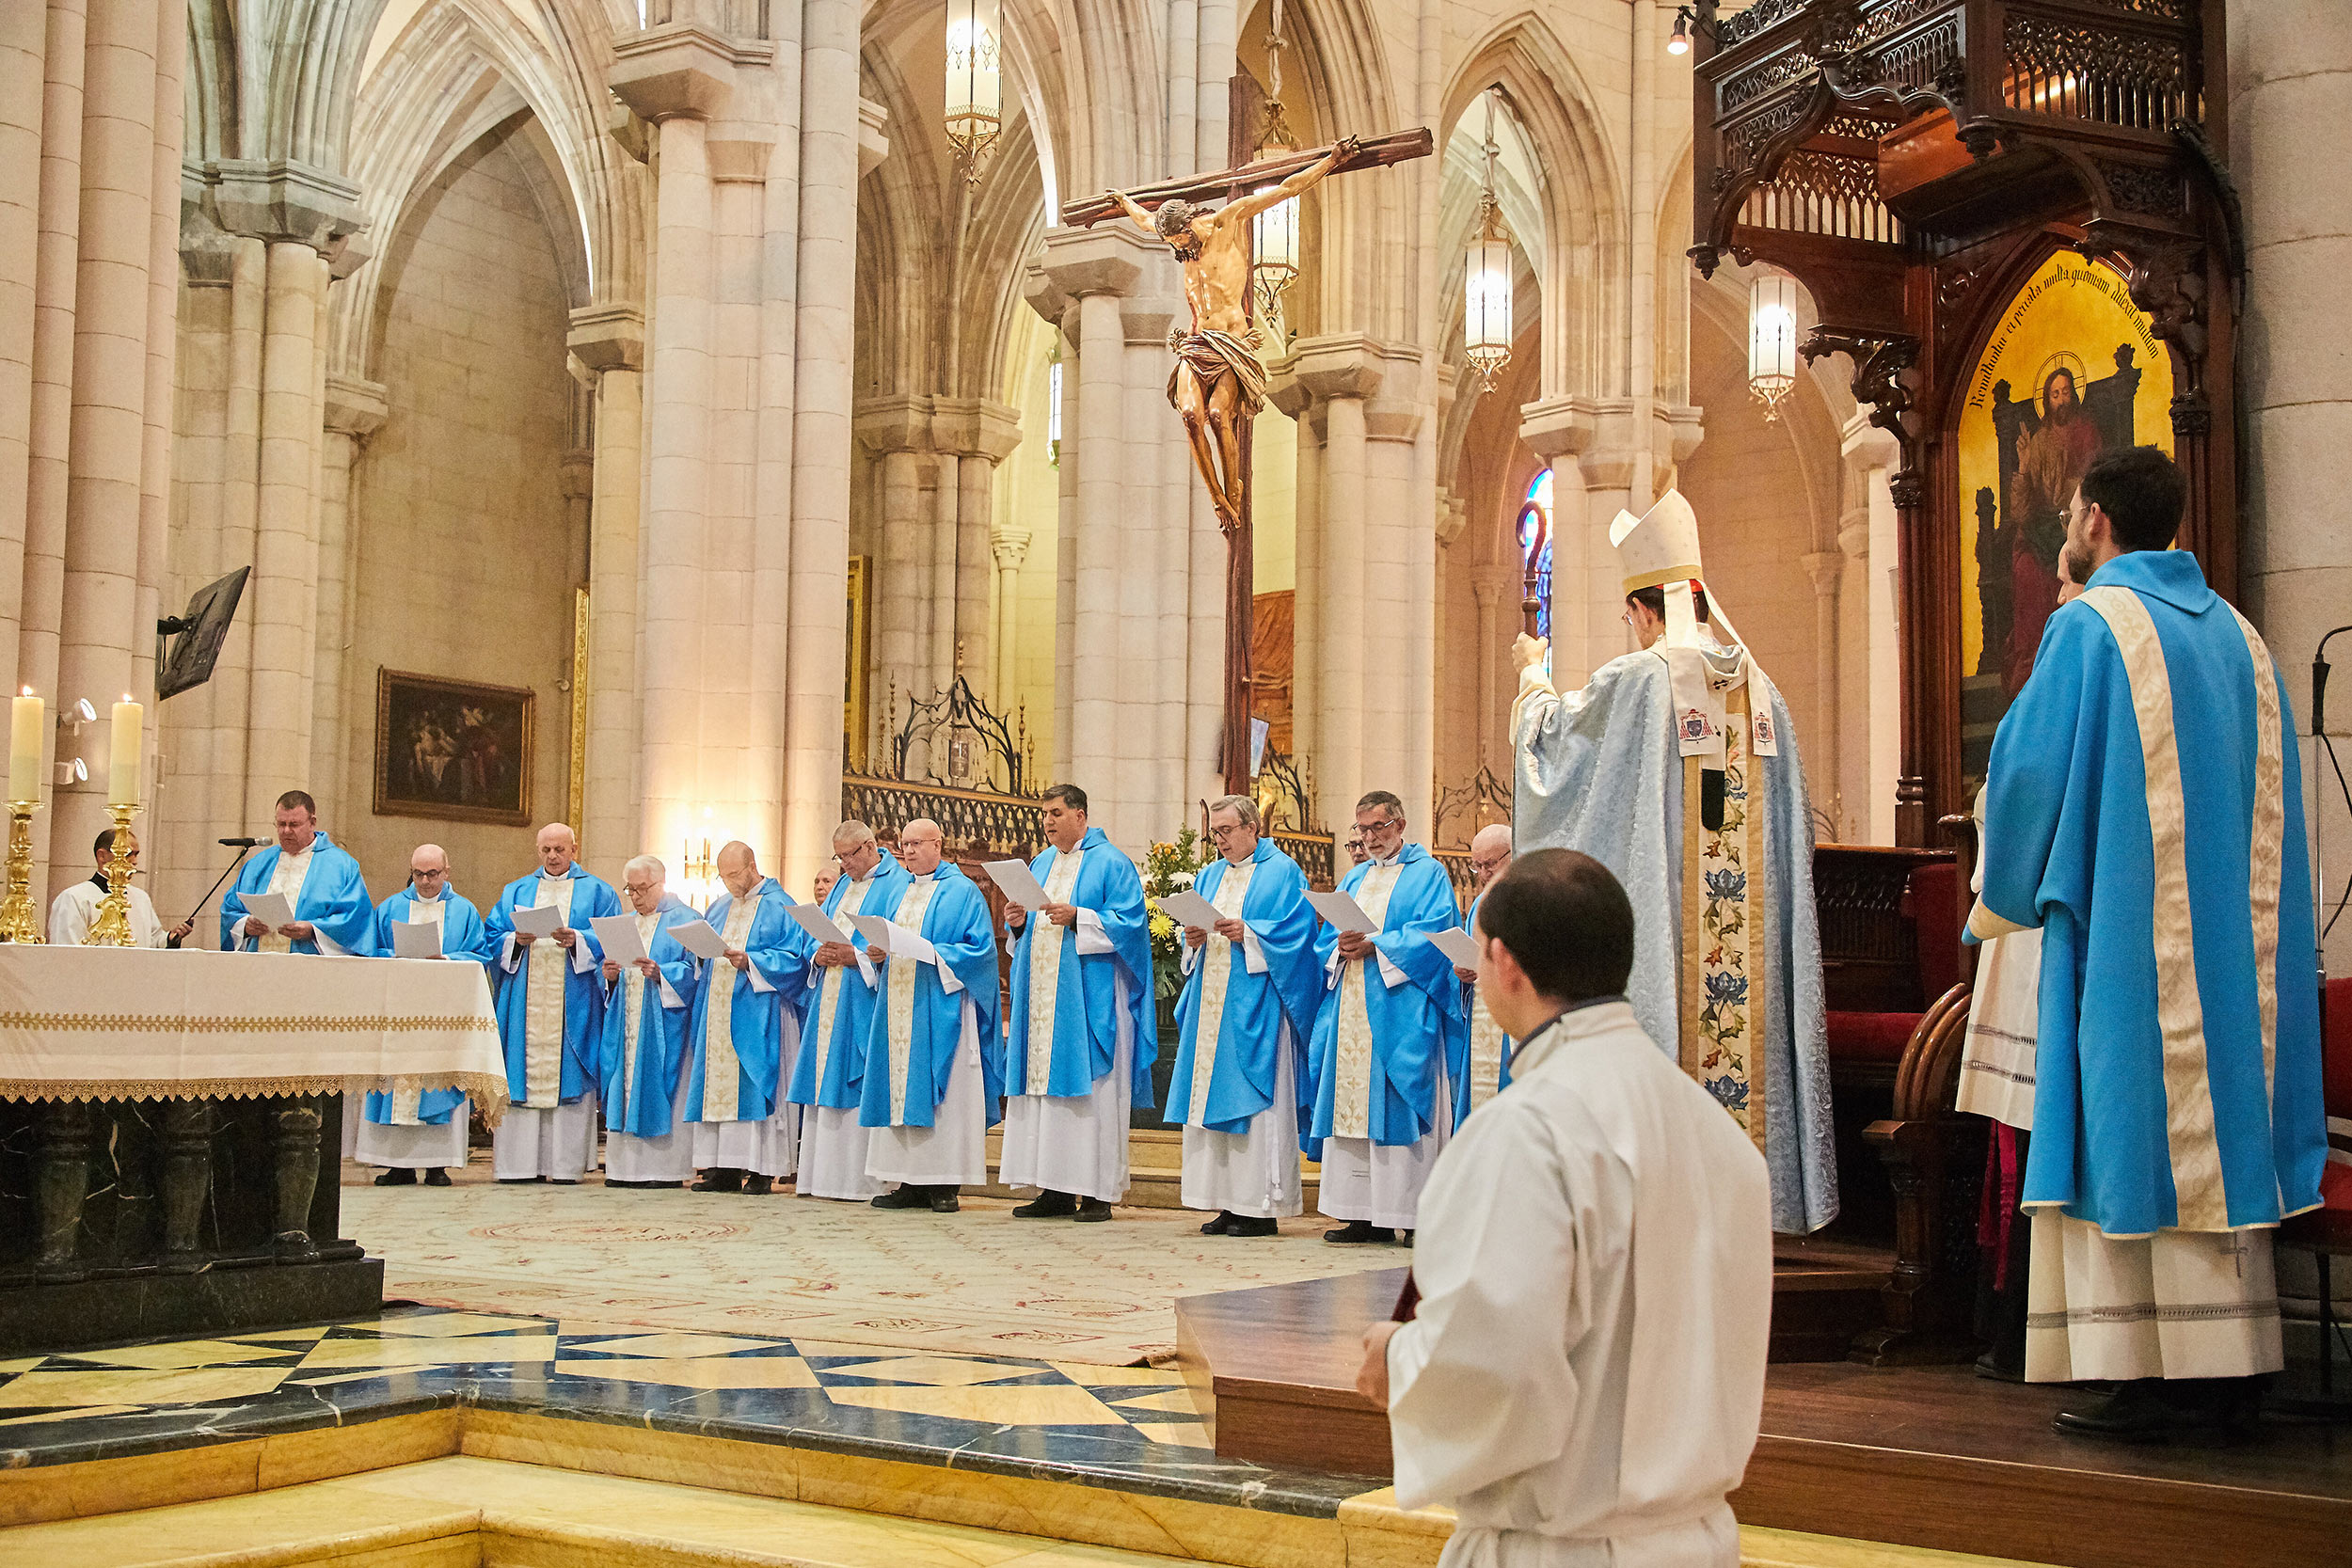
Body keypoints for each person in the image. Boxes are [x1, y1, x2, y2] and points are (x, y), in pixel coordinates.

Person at [1971, 445, 2324, 1440]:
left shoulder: (2088, 626)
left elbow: (2028, 771)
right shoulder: (2245, 642)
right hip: (2231, 962)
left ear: (2091, 519)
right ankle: (2233, 1359)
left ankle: (2142, 1365)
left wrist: (2004, 886)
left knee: (2127, 1125)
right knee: (2216, 1133)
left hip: (2128, 943)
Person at [1359, 849, 1772, 1568]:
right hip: (1699, 1538)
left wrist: (1394, 1359)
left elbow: (1496, 1360)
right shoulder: (1718, 1133)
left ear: (1502, 960)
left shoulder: (1530, 1127)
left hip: (1562, 1545)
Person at [1511, 488, 1836, 1235]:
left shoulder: (1639, 681)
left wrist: (1532, 671)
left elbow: (1553, 756)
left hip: (1673, 947)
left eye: (1631, 617)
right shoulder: (1767, 695)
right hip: (1749, 971)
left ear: (1647, 610)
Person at [1307, 790, 1467, 1244]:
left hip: (1401, 1009)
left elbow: (1437, 932)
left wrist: (1379, 944)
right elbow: (1326, 939)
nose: (1370, 837)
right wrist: (1338, 948)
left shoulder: (1429, 874)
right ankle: (1360, 1215)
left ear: (1399, 825)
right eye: (1362, 828)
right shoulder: (1354, 880)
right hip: (1352, 1004)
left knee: (1399, 1108)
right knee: (1351, 1112)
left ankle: (1413, 1215)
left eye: (1378, 827)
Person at [1001, 783, 1156, 1221]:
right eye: (1044, 814)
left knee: (1091, 1096)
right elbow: (1030, 930)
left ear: (1081, 814)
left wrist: (1080, 917)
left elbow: (1130, 925)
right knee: (1045, 1099)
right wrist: (1017, 924)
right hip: (1043, 999)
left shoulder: (1112, 862)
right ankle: (1052, 1189)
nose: (1047, 821)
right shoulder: (1042, 862)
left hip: (1091, 997)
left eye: (1055, 813)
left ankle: (1096, 1192)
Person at [1168, 795, 1322, 1236]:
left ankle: (1259, 1206)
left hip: (1259, 1005)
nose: (1219, 841)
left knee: (1258, 1108)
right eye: (1214, 833)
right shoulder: (1210, 874)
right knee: (1210, 1102)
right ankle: (1225, 1202)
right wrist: (1192, 938)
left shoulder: (1283, 871)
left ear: (1253, 827)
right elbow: (1192, 942)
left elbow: (1298, 938)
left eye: (1227, 831)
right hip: (1212, 1006)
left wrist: (1250, 934)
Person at [863, 817, 1002, 1212]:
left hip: (943, 1009)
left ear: (938, 845)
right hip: (898, 1008)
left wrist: (936, 953)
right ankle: (908, 1181)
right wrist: (876, 955)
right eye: (904, 844)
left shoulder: (963, 891)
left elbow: (981, 953)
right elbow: (882, 941)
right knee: (898, 1090)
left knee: (948, 1095)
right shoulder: (896, 892)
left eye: (916, 843)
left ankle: (944, 1184)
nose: (908, 851)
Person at [484, 823, 620, 1182]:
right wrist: (516, 939)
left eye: (559, 849)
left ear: (574, 849)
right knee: (521, 1076)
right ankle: (518, 1167)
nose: (552, 857)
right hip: (524, 1000)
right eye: (546, 850)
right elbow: (491, 937)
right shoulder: (517, 889)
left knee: (568, 1078)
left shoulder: (598, 891)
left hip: (571, 1000)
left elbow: (614, 936)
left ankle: (565, 1167)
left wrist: (578, 940)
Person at [358, 845, 495, 1186]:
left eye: (432, 874)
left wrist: (446, 959)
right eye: (418, 874)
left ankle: (438, 1165)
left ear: (446, 872)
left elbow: (481, 955)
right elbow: (371, 951)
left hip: (444, 1014)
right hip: (399, 1013)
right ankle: (398, 1165)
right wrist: (398, 954)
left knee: (439, 1080)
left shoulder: (464, 911)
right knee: (397, 1084)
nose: (425, 881)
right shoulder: (391, 907)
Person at [788, 820, 908, 1201]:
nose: (844, 865)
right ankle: (821, 1179)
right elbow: (819, 934)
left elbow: (897, 946)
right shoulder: (842, 883)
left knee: (859, 1081)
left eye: (849, 856)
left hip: (866, 999)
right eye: (838, 857)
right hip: (829, 996)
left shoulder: (897, 883)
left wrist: (855, 957)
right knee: (825, 1081)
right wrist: (818, 954)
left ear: (870, 847)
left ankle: (861, 1182)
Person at [684, 841, 807, 1195]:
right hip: (718, 1010)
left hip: (760, 1011)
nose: (728, 884)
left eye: (734, 875)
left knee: (754, 1084)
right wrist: (700, 954)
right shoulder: (719, 907)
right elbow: (701, 957)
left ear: (752, 865)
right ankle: (722, 1168)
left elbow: (794, 960)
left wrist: (752, 961)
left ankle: (761, 1169)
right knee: (717, 1087)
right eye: (723, 877)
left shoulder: (781, 906)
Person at [598, 854, 702, 1189]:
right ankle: (622, 1169)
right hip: (627, 1020)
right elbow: (612, 973)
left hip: (665, 1024)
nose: (636, 896)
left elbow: (698, 973)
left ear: (661, 883)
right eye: (630, 890)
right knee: (622, 1083)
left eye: (642, 888)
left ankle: (663, 1170)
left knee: (661, 1086)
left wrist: (662, 974)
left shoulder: (686, 919)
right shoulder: (623, 922)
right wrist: (610, 976)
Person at [221, 791, 375, 955]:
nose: (286, 831)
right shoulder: (258, 864)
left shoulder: (342, 866)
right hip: (259, 968)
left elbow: (356, 920)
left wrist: (313, 930)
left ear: (312, 822)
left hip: (311, 969)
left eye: (294, 824)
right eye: (281, 824)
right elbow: (231, 909)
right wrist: (245, 925)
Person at [49, 828, 194, 946]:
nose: (135, 861)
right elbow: (66, 949)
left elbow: (152, 941)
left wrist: (170, 938)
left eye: (136, 854)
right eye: (128, 854)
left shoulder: (140, 898)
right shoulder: (74, 898)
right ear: (102, 856)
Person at [1458, 823, 1515, 1116]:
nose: (1483, 873)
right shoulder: (1480, 902)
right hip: (1483, 1016)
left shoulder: (1527, 897)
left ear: (1513, 852)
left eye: (1490, 863)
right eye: (1477, 866)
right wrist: (1465, 976)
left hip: (1513, 1019)